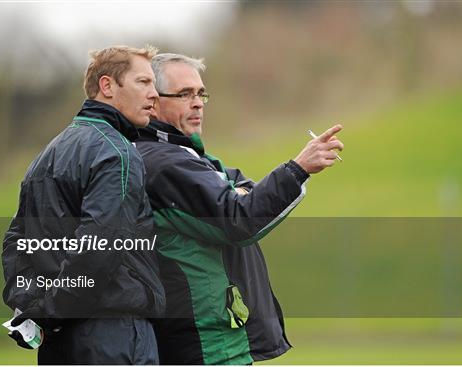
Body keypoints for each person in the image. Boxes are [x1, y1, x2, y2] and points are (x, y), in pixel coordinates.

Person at [136, 53, 344, 364]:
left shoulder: (190, 155)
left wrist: (242, 197)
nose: (198, 103)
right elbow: (240, 218)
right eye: (184, 94)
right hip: (206, 342)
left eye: (200, 93)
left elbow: (247, 195)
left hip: (217, 337)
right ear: (152, 101)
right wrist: (297, 168)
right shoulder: (164, 163)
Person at [2, 45, 165, 365]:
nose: (155, 94)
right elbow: (99, 244)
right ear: (107, 86)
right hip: (112, 334)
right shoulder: (117, 152)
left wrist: (35, 309)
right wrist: (52, 313)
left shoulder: (47, 153)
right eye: (143, 82)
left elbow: (15, 242)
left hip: (59, 341)